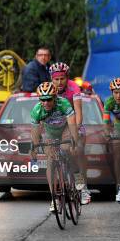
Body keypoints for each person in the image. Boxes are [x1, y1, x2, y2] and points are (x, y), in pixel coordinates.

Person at [30, 82, 79, 212]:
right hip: (50, 133)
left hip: (65, 129)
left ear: (55, 97)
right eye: (42, 99)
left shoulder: (64, 104)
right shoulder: (37, 110)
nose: (45, 103)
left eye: (48, 99)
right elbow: (35, 133)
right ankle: (54, 199)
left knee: (66, 149)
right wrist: (34, 148)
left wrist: (74, 141)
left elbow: (73, 124)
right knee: (50, 161)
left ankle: (79, 180)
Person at [49, 62, 90, 205]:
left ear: (67, 78)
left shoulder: (74, 88)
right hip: (55, 125)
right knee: (51, 155)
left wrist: (76, 132)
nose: (59, 82)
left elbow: (78, 113)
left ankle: (82, 186)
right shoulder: (48, 90)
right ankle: (56, 192)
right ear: (51, 79)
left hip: (72, 123)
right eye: (56, 79)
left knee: (75, 150)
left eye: (62, 78)